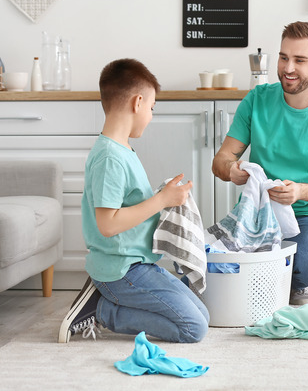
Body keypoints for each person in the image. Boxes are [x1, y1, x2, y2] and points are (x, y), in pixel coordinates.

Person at [58, 58, 209, 343]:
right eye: (152, 108)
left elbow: (127, 208)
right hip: (120, 269)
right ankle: (100, 310)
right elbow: (108, 224)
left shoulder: (123, 149)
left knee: (203, 315)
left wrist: (166, 199)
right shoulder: (110, 157)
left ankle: (105, 300)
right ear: (138, 103)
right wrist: (162, 200)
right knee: (194, 329)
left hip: (136, 264)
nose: (151, 116)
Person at [212, 21, 308, 305]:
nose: (288, 68)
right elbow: (221, 160)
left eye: (300, 60)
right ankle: (278, 275)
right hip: (257, 209)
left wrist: (300, 191)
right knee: (219, 266)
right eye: (283, 57)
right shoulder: (258, 99)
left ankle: (287, 276)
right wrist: (232, 170)